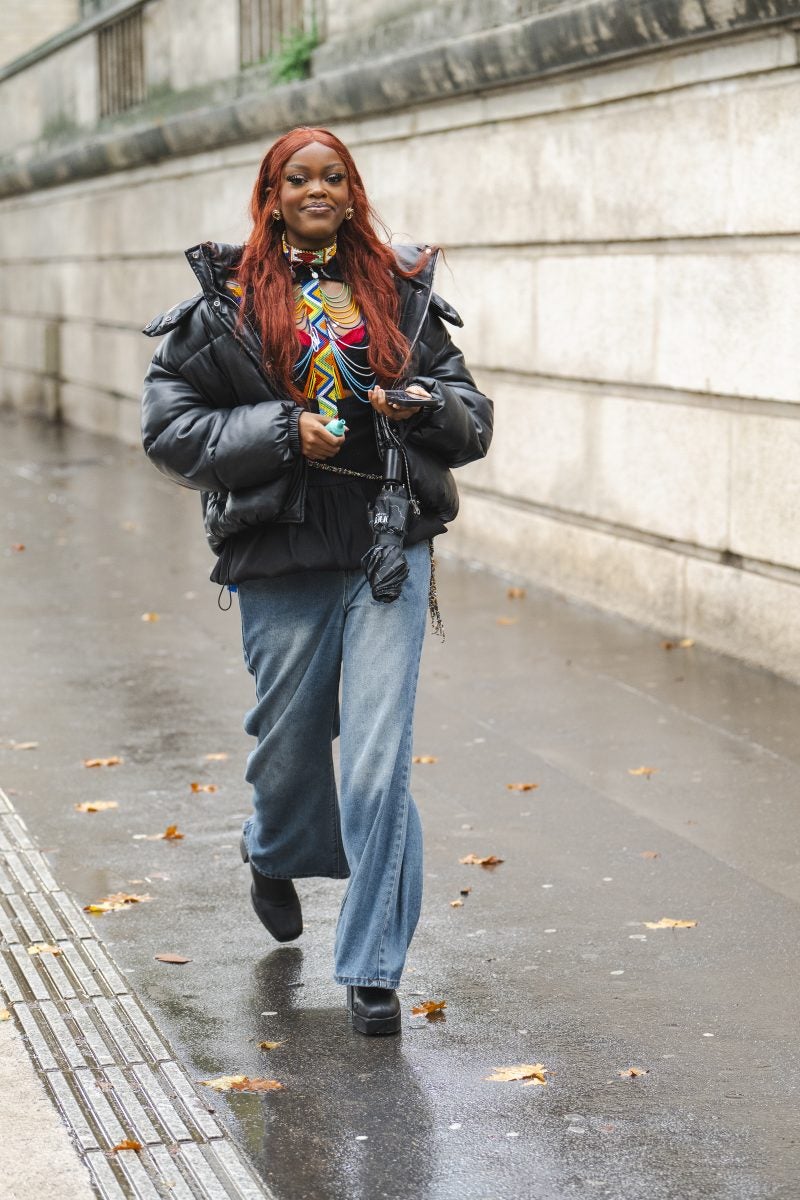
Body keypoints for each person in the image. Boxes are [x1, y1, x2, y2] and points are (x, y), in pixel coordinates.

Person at [141, 126, 492, 1036]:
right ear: (272, 193)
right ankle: (273, 848)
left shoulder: (398, 291)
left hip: (387, 544)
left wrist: (428, 407)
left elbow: (473, 416)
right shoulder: (223, 305)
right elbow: (170, 431)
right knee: (291, 751)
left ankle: (372, 967)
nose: (318, 189)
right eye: (299, 178)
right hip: (281, 551)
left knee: (377, 766)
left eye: (334, 176)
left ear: (353, 189)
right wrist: (278, 434)